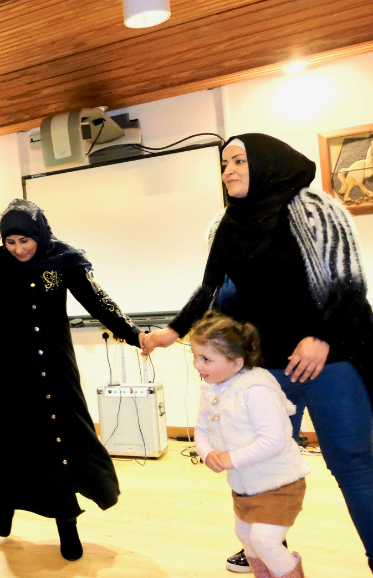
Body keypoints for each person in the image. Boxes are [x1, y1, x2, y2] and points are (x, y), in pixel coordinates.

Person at [142, 134, 373, 574]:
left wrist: (320, 336)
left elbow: (348, 281)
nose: (228, 171)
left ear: (267, 163)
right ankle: (266, 546)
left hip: (331, 360)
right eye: (224, 164)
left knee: (354, 464)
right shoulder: (231, 224)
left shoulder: (317, 209)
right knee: (264, 462)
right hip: (267, 368)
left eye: (238, 161)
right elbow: (210, 288)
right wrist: (171, 332)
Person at [0, 198, 143, 561]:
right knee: (12, 441)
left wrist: (134, 334)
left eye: (25, 240)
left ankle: (66, 522)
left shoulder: (63, 259)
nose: (18, 249)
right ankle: (6, 504)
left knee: (61, 440)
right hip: (12, 369)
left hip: (55, 366)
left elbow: (98, 301)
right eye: (11, 242)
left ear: (39, 232)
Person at [191, 311, 309, 578]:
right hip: (245, 487)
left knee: (265, 542)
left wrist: (231, 460)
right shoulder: (212, 389)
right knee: (247, 539)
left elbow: (273, 440)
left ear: (236, 363)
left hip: (279, 484)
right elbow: (201, 429)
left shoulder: (256, 389)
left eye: (206, 359)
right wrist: (207, 453)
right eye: (195, 357)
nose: (197, 365)